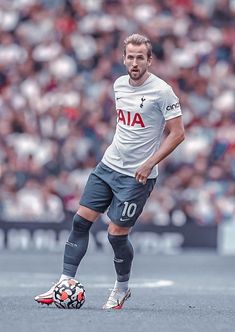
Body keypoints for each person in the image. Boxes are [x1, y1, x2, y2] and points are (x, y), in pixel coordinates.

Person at [34, 33, 185, 309]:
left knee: (115, 234)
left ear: (149, 60)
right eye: (131, 57)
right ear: (124, 59)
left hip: (137, 176)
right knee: (80, 221)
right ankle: (64, 282)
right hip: (108, 166)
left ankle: (121, 289)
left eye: (141, 57)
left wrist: (150, 162)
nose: (135, 62)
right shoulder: (118, 85)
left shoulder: (162, 91)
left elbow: (177, 134)